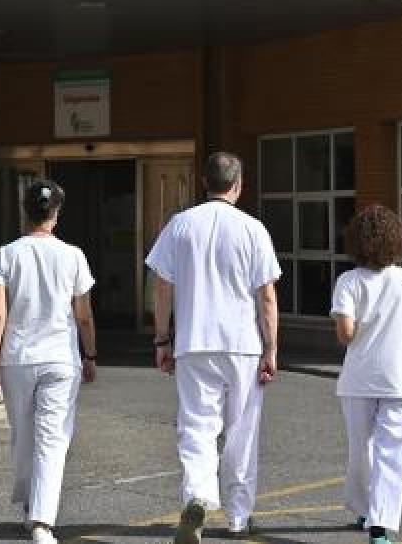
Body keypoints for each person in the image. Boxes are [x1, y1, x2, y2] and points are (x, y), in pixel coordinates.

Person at [146, 152, 281, 544]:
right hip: (242, 344)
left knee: (196, 428)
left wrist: (161, 338)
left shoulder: (180, 225)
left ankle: (198, 498)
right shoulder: (253, 229)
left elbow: (162, 286)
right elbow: (267, 297)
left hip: (193, 342)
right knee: (242, 430)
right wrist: (271, 348)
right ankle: (239, 517)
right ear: (238, 185)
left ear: (203, 182)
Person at [0, 179, 98, 544]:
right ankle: (41, 522)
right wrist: (91, 354)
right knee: (52, 439)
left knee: (23, 436)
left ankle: (32, 505)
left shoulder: (6, 254)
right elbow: (83, 315)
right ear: (57, 214)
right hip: (61, 359)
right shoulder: (73, 255)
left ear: (25, 210)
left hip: (17, 358)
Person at [331, 204, 402, 544]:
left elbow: (345, 333)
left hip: (358, 380)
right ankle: (380, 526)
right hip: (401, 380)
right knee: (394, 455)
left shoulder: (348, 282)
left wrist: (366, 326)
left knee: (362, 450)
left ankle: (364, 509)